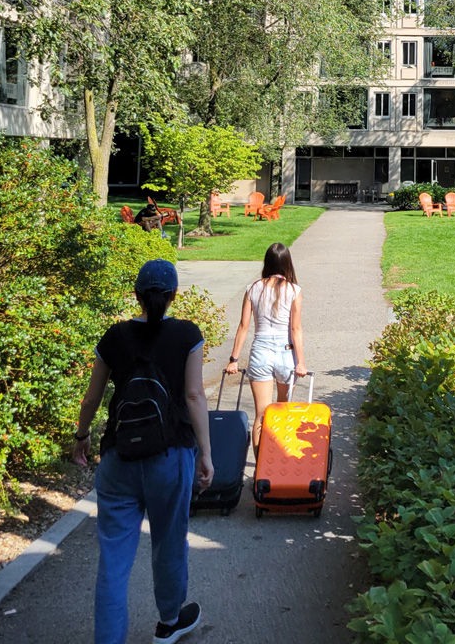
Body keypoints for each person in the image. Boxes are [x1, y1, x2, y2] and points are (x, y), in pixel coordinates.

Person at [72, 259, 213, 644]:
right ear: (173, 296)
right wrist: (206, 453)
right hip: (170, 457)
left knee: (113, 562)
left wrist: (81, 436)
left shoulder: (114, 337)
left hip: (118, 458)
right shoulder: (187, 335)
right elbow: (194, 395)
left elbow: (92, 399)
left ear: (136, 295)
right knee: (169, 543)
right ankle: (169, 622)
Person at [225, 242, 307, 454]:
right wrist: (301, 362)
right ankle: (279, 461)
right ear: (287, 263)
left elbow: (243, 326)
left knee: (262, 415)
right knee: (283, 412)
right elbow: (296, 329)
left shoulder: (253, 288)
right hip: (286, 353)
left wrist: (234, 359)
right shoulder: (294, 290)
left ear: (267, 262)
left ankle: (261, 467)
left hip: (260, 351)